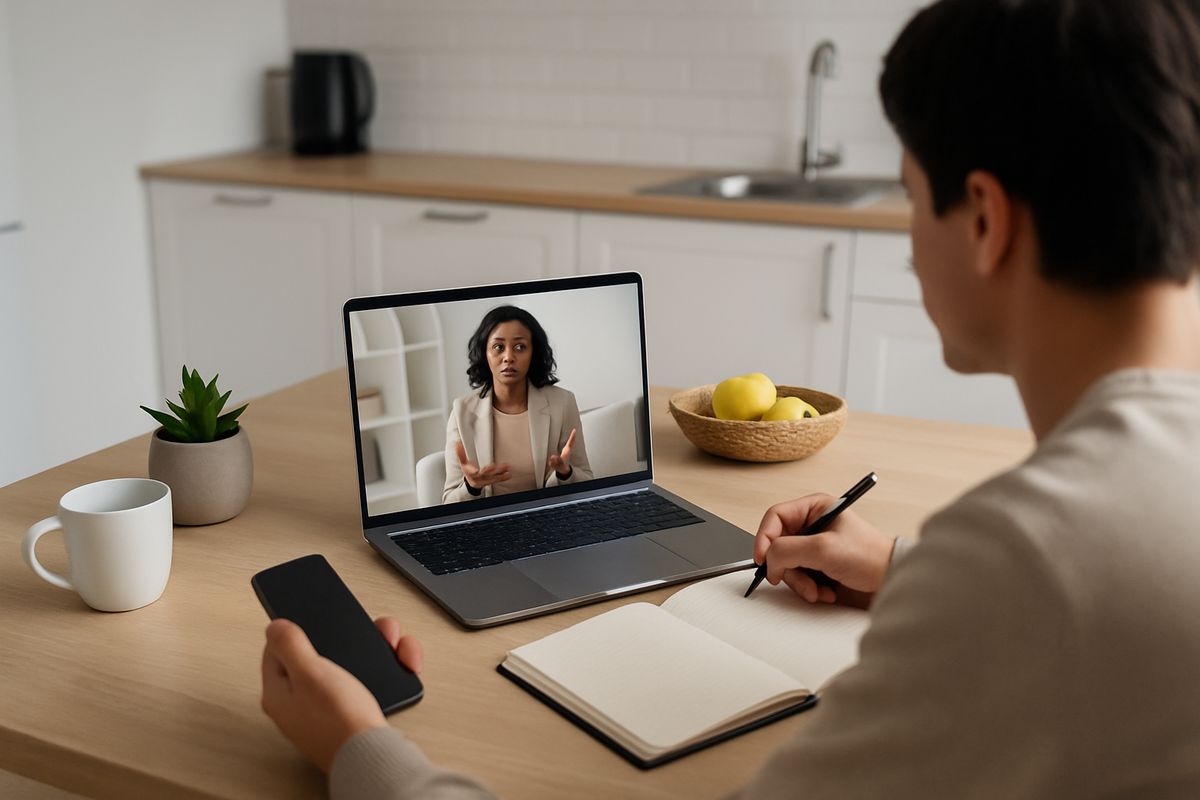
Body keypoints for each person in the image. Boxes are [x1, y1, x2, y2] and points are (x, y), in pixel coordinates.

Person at [260, 0, 1200, 796]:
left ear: (987, 220)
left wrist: (361, 750)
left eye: (911, 198)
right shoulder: (1070, 549)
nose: (911, 242)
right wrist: (914, 575)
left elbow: (1056, 593)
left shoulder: (1028, 561)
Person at [440, 305, 592, 504]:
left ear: (533, 353)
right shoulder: (462, 411)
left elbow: (588, 480)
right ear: (484, 353)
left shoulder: (562, 403)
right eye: (498, 347)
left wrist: (565, 474)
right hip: (490, 524)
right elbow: (448, 501)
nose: (509, 357)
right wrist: (472, 486)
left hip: (548, 518)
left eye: (520, 347)